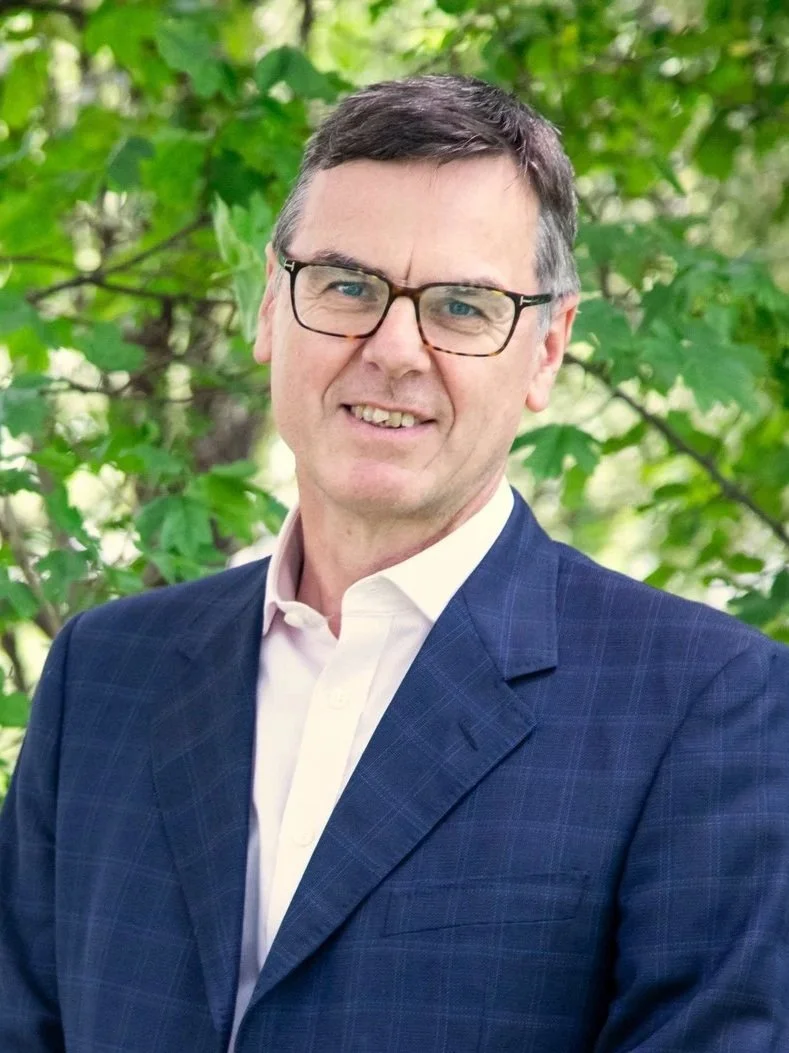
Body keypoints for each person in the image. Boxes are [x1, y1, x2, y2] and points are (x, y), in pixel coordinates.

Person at [1, 74, 788, 1053]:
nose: (394, 348)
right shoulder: (103, 675)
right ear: (268, 308)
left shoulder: (710, 707)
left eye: (462, 307)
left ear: (547, 349)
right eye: (347, 286)